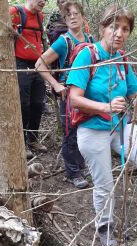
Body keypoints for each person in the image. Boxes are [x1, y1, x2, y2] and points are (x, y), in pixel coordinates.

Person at [66, 5, 137, 246]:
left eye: (125, 29)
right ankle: (105, 228)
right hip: (92, 129)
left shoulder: (122, 58)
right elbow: (73, 98)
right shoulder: (88, 55)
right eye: (113, 27)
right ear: (102, 28)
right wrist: (105, 106)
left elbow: (136, 96)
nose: (119, 33)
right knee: (105, 185)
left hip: (121, 126)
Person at [35, 1, 91, 189]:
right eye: (69, 16)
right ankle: (72, 172)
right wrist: (55, 84)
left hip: (87, 93)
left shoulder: (90, 40)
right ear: (65, 20)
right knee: (70, 132)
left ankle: (81, 166)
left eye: (76, 14)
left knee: (86, 130)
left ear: (83, 17)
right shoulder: (63, 41)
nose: (73, 17)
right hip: (68, 93)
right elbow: (39, 64)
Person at [10, 0, 48, 159]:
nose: (43, 2)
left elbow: (40, 41)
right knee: (23, 104)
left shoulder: (40, 16)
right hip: (20, 63)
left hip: (38, 64)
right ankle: (21, 142)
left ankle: (32, 139)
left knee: (38, 104)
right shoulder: (15, 12)